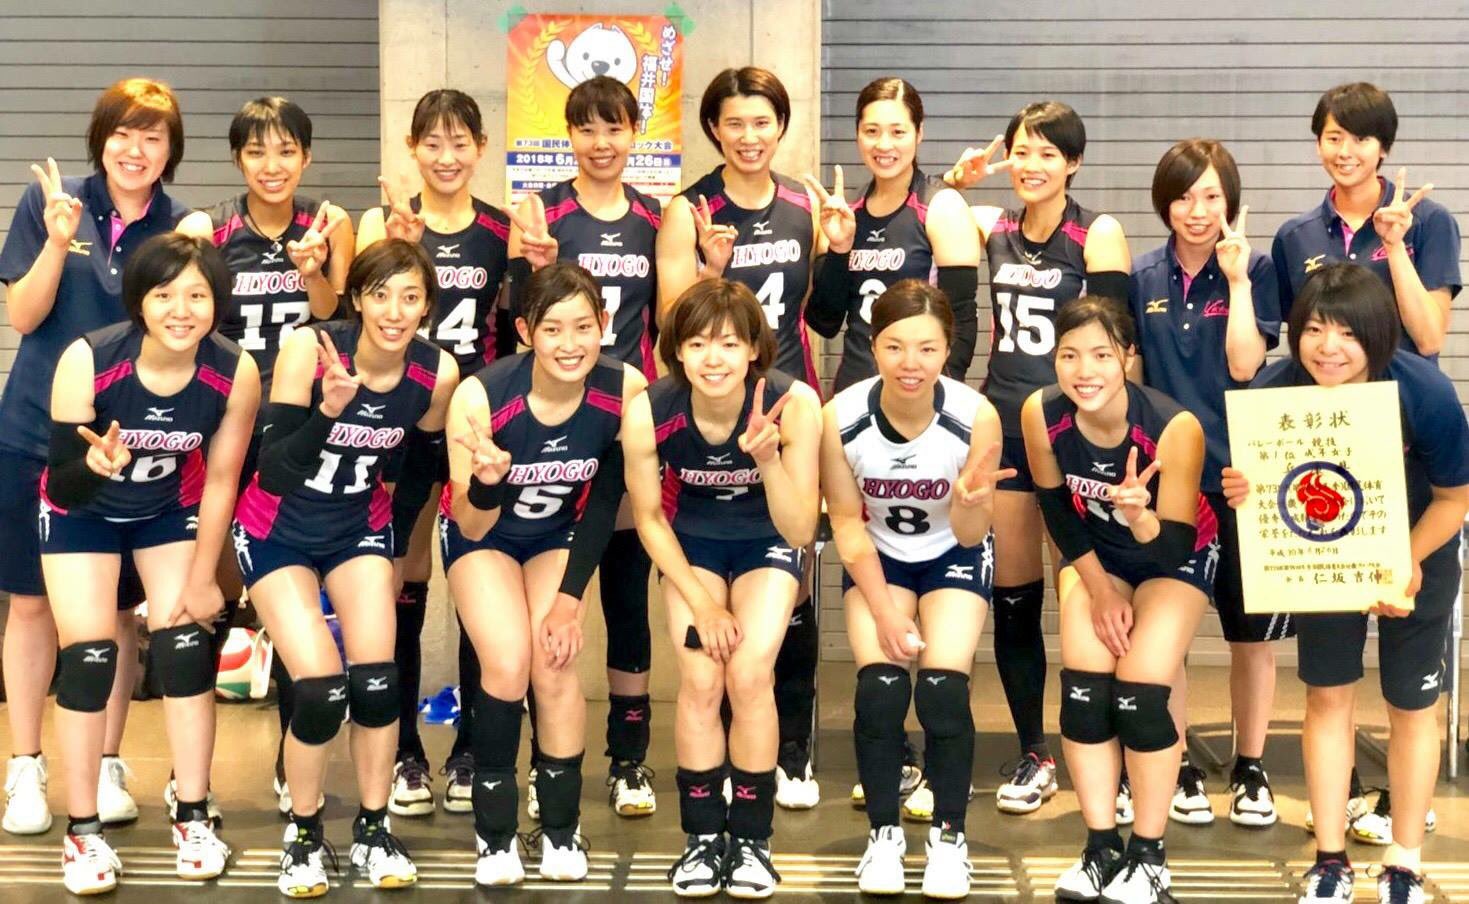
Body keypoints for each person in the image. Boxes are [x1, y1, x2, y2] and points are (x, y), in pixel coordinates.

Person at [1221, 263, 1469, 904]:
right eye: (1314, 330)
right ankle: (1329, 860)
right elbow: (1264, 486)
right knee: (1327, 697)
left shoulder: (1424, 391)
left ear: (1378, 334)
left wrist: (1406, 560)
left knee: (1411, 706)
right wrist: (1244, 489)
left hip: (1419, 554)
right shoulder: (1275, 391)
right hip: (1323, 559)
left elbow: (1455, 498)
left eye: (1348, 333)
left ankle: (1404, 863)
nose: (1328, 347)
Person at [232, 239, 458, 897]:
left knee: (379, 683)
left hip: (357, 528)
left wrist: (399, 550)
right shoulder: (311, 348)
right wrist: (329, 410)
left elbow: (420, 471)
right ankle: (303, 835)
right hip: (276, 529)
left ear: (427, 306)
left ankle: (373, 828)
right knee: (320, 689)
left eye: (411, 297)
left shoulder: (436, 373)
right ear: (356, 297)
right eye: (380, 295)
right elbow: (274, 470)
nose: (395, 311)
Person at [0, 77, 191, 837]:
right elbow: (23, 315)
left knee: (114, 613)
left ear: (171, 151)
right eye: (122, 132)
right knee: (31, 604)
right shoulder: (53, 204)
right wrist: (56, 241)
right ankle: (24, 766)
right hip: (32, 434)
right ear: (100, 138)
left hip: (128, 449)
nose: (134, 149)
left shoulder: (180, 226)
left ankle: (107, 761)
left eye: (152, 136)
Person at [42, 234, 258, 893]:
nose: (181, 310)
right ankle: (82, 831)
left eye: (197, 295)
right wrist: (94, 466)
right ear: (140, 301)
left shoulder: (234, 371)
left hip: (168, 508)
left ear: (217, 303)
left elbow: (221, 480)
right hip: (82, 510)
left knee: (185, 645)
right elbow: (63, 482)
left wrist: (203, 577)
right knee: (89, 657)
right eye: (164, 294)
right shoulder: (88, 359)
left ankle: (193, 816)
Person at [944, 100, 1132, 816]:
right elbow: (938, 224)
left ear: (1073, 162)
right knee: (1015, 595)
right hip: (1005, 423)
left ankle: (1110, 752)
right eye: (1021, 151)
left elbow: (1119, 344)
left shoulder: (1096, 233)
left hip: (1074, 429)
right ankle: (1034, 752)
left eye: (1048, 153)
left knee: (1085, 588)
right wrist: (955, 184)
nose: (1031, 165)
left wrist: (1119, 434)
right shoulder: (990, 226)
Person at [803, 74, 982, 820]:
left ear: (918, 135)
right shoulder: (841, 215)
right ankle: (894, 760)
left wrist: (928, 410)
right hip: (855, 418)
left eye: (897, 130)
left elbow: (962, 325)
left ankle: (939, 768)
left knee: (936, 590)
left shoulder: (940, 208)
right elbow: (825, 320)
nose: (883, 144)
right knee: (868, 572)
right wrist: (836, 250)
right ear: (857, 136)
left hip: (923, 416)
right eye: (871, 130)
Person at [176, 95, 352, 818]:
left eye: (286, 151)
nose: (271, 165)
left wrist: (312, 272)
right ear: (237, 158)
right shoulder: (208, 228)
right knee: (209, 595)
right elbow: (179, 310)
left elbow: (336, 313)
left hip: (298, 428)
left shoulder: (330, 222)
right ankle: (191, 777)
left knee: (293, 601)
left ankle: (288, 761)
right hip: (223, 422)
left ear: (306, 157)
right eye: (256, 151)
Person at [440, 262, 645, 886]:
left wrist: (568, 602)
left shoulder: (625, 389)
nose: (570, 343)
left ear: (604, 324)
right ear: (526, 332)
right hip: (485, 535)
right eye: (552, 329)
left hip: (559, 534)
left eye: (583, 326)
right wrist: (487, 481)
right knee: (507, 664)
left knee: (554, 662)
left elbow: (607, 504)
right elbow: (470, 522)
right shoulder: (480, 397)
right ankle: (495, 837)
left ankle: (560, 828)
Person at [657, 65, 826, 810]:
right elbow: (676, 324)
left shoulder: (804, 205)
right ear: (713, 130)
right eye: (734, 122)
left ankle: (790, 750)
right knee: (711, 638)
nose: (749, 136)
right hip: (709, 407)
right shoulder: (687, 209)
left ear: (780, 125)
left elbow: (816, 313)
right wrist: (710, 269)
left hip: (785, 405)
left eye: (762, 121)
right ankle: (718, 759)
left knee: (794, 583)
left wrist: (839, 254)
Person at [619, 279, 819, 897]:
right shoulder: (649, 409)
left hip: (767, 540)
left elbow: (801, 528)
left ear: (754, 349)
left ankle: (753, 842)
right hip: (692, 546)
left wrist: (768, 460)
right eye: (699, 343)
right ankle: (703, 837)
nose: (714, 359)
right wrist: (703, 604)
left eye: (730, 344)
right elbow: (649, 518)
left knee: (750, 674)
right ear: (678, 350)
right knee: (702, 678)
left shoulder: (795, 404)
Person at [506, 75, 663, 819]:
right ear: (568, 135)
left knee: (627, 598)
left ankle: (628, 759)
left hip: (622, 418)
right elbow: (511, 318)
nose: (601, 143)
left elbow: (671, 318)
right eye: (587, 129)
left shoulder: (658, 218)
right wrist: (528, 267)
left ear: (634, 134)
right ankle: (542, 760)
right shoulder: (542, 212)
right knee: (535, 612)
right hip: (547, 428)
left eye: (615, 128)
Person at [1024, 295, 1216, 904]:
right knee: (1084, 690)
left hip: (1174, 554)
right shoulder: (1040, 413)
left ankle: (1149, 855)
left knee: (1140, 691)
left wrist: (1140, 517)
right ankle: (1101, 846)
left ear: (1129, 357)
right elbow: (1057, 510)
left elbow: (1174, 543)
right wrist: (1101, 589)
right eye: (1069, 355)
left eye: (1102, 355)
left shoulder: (1173, 427)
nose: (1085, 371)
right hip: (1095, 556)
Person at [356, 89, 510, 818]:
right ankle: (406, 753)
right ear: (412, 147)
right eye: (432, 143)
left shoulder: (503, 230)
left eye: (459, 143)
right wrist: (398, 245)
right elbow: (354, 312)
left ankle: (474, 748)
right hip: (403, 427)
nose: (446, 158)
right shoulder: (382, 222)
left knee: (484, 578)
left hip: (479, 426)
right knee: (404, 577)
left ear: (480, 147)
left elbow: (519, 325)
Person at [825, 280, 1005, 899]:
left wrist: (970, 503)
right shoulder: (840, 417)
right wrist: (884, 613)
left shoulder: (976, 417)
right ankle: (883, 836)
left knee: (941, 691)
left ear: (948, 350)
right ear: (873, 346)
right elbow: (846, 522)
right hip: (880, 558)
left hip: (953, 551)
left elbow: (972, 532)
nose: (911, 363)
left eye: (927, 349)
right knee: (879, 691)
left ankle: (949, 839)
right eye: (896, 346)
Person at [1128, 138, 1286, 829]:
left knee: (1250, 638)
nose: (1197, 210)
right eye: (1184, 197)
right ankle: (1181, 761)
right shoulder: (1140, 276)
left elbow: (1247, 365)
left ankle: (1250, 766)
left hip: (1241, 477)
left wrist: (1239, 282)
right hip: (1173, 483)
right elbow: (1131, 375)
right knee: (1171, 636)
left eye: (1211, 196)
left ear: (1231, 201)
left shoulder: (1256, 268)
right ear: (1164, 203)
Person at [1272, 83, 1460, 359]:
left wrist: (1395, 247)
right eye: (1334, 138)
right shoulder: (1293, 237)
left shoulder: (1429, 222)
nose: (1345, 152)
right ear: (1318, 145)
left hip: (1402, 385)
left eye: (1361, 139)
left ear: (1384, 148)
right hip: (1329, 386)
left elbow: (1430, 339)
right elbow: (1302, 338)